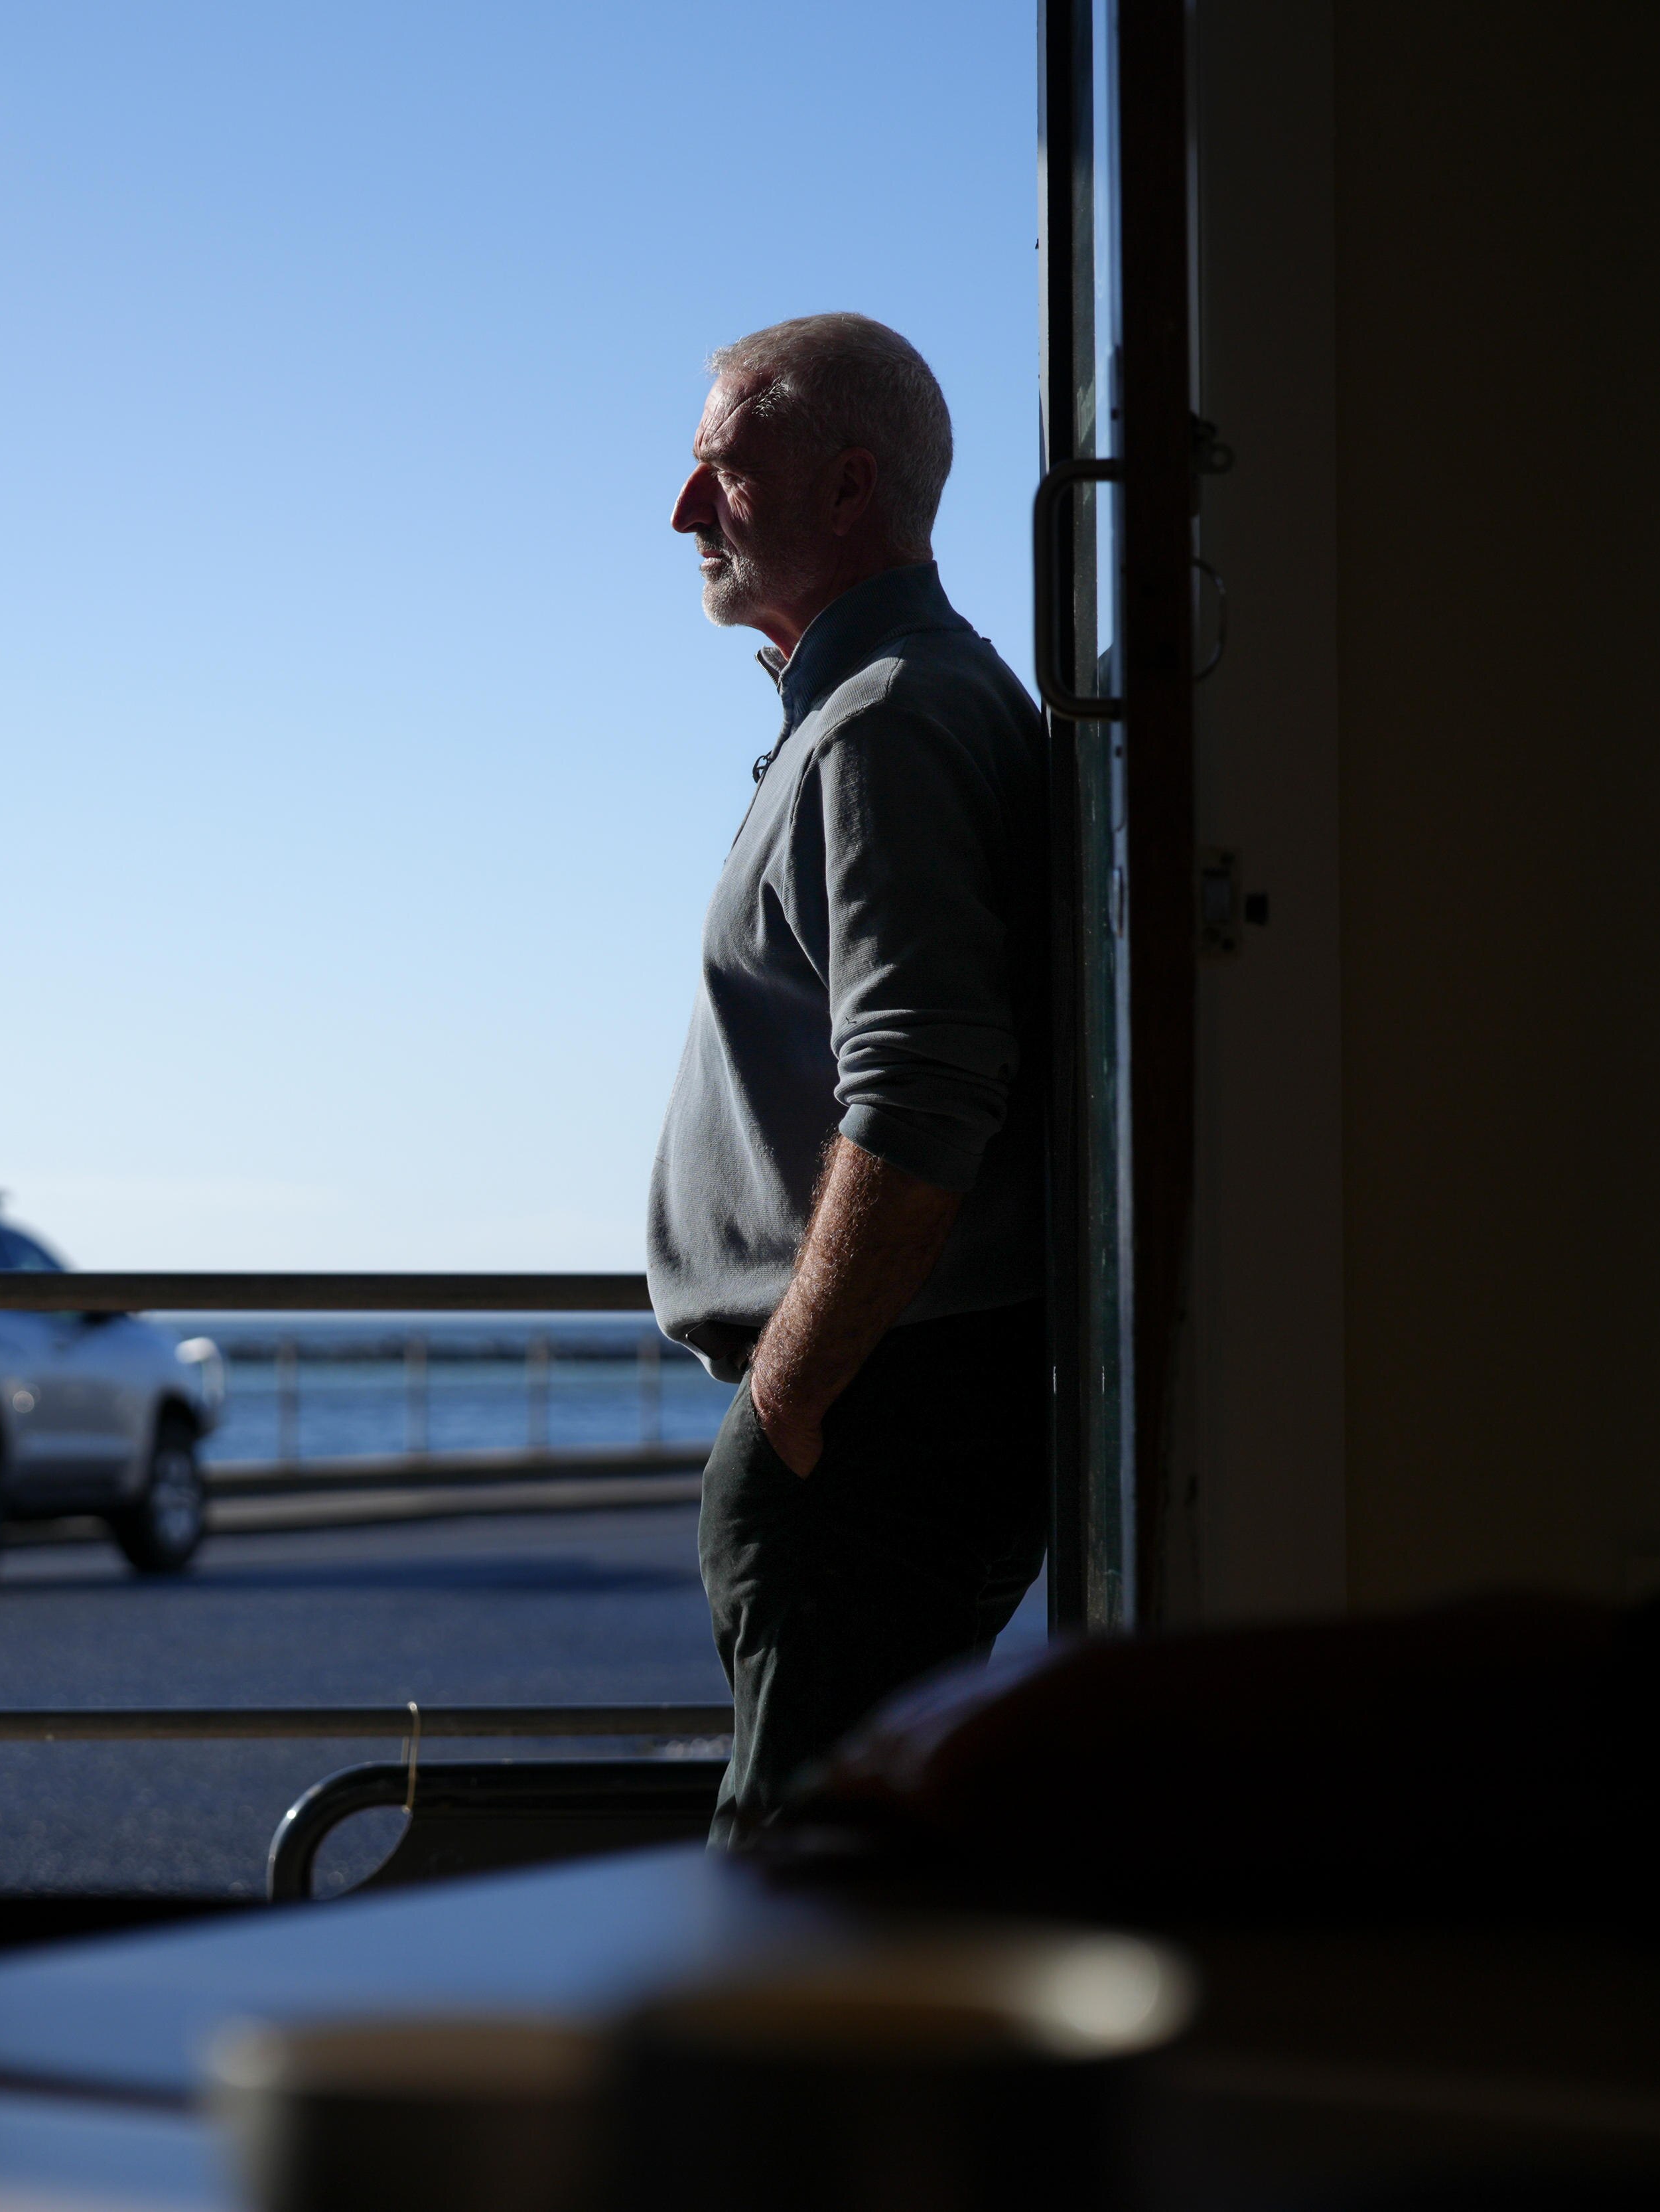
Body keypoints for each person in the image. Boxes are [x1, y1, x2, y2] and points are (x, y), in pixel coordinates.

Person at [648, 313, 1050, 1838]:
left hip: (874, 1422)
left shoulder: (883, 727)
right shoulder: (885, 707)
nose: (684, 513)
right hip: (887, 1413)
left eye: (723, 473)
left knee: (794, 1886)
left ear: (847, 487)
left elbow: (921, 1095)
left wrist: (788, 1402)